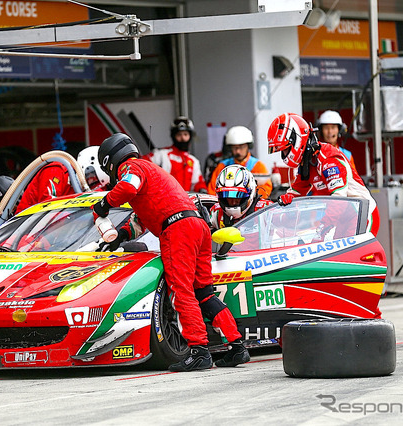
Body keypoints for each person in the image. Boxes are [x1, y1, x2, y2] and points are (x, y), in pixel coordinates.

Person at [92, 133, 249, 372]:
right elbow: (141, 220)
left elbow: (127, 187)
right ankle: (237, 346)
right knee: (204, 293)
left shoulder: (131, 168)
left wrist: (104, 204)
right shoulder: (151, 170)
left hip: (177, 230)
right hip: (197, 226)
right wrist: (122, 236)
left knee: (181, 290)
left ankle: (199, 351)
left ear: (110, 161)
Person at [267, 112, 379, 236]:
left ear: (296, 140)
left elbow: (339, 198)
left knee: (352, 254)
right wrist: (283, 202)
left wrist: (322, 228)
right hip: (343, 217)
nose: (284, 153)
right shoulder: (308, 161)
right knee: (338, 255)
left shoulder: (328, 157)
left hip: (361, 213)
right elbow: (298, 190)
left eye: (285, 149)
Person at [15, 146, 108, 213]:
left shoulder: (89, 190)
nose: (92, 184)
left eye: (96, 183)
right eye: (92, 178)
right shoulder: (56, 170)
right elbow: (49, 209)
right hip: (26, 228)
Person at [144, 116, 207, 193]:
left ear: (190, 136)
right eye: (179, 135)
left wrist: (202, 190)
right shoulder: (161, 154)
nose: (183, 138)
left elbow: (198, 183)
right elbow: (141, 164)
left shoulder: (193, 161)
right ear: (173, 136)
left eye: (185, 134)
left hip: (186, 202)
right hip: (164, 200)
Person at [206, 126, 272, 198]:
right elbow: (212, 190)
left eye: (241, 147)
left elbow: (266, 189)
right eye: (234, 147)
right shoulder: (223, 166)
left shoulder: (258, 166)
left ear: (248, 146)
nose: (238, 151)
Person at [210, 165, 273, 230]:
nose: (233, 202)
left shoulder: (265, 209)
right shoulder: (216, 211)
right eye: (227, 196)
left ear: (250, 192)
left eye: (238, 196)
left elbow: (282, 225)